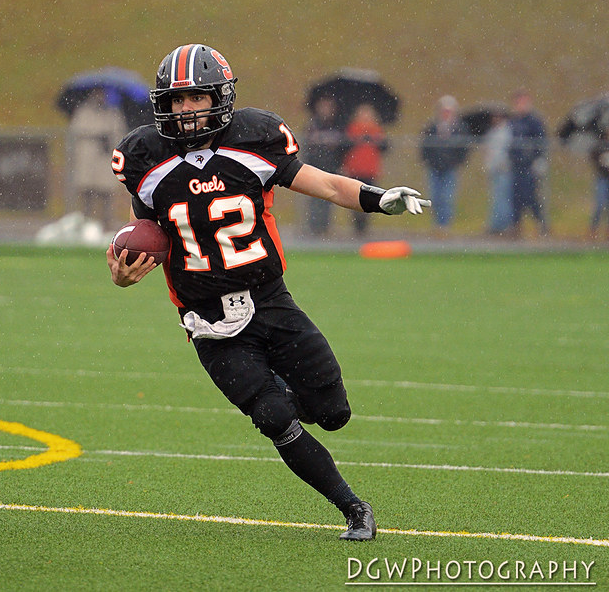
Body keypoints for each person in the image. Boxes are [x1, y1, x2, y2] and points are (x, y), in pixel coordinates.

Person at [107, 44, 430, 541]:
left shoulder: (254, 138)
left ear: (221, 96)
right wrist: (123, 274)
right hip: (209, 321)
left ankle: (277, 397)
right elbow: (140, 236)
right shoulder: (145, 157)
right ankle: (353, 507)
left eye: (196, 98)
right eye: (177, 101)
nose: (187, 110)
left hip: (271, 300)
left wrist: (377, 199)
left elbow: (322, 184)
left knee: (334, 413)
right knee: (274, 416)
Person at [67, 87, 130, 230]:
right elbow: (77, 132)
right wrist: (95, 136)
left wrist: (108, 138)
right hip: (88, 157)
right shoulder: (83, 112)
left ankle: (106, 224)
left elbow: (119, 134)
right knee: (87, 194)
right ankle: (85, 223)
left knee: (106, 193)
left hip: (104, 157)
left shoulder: (113, 113)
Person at [419, 95, 471, 231]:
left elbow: (464, 149)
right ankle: (437, 224)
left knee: (447, 197)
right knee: (434, 197)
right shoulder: (432, 127)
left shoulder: (460, 129)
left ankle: (445, 225)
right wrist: (428, 160)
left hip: (450, 168)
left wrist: (457, 162)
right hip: (434, 167)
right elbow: (424, 146)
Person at [300, 95, 349, 236]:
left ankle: (324, 228)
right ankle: (313, 228)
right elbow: (307, 144)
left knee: (329, 198)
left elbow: (343, 147)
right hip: (315, 167)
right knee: (314, 198)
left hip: (331, 168)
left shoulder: (337, 125)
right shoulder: (313, 124)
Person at [342, 104, 389, 236]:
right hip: (355, 169)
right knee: (354, 198)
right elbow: (345, 146)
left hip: (370, 170)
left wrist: (375, 140)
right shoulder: (352, 128)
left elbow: (384, 146)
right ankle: (357, 225)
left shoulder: (376, 129)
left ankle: (364, 226)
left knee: (369, 198)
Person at [507, 89, 550, 236]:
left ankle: (541, 225)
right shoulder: (513, 121)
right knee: (515, 198)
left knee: (531, 197)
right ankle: (516, 227)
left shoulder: (534, 121)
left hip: (529, 165)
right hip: (516, 165)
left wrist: (538, 160)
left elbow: (541, 142)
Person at [480, 107, 513, 235]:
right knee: (496, 197)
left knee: (503, 197)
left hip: (504, 169)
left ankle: (502, 225)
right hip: (494, 169)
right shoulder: (493, 132)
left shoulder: (507, 132)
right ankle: (496, 224)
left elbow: (507, 150)